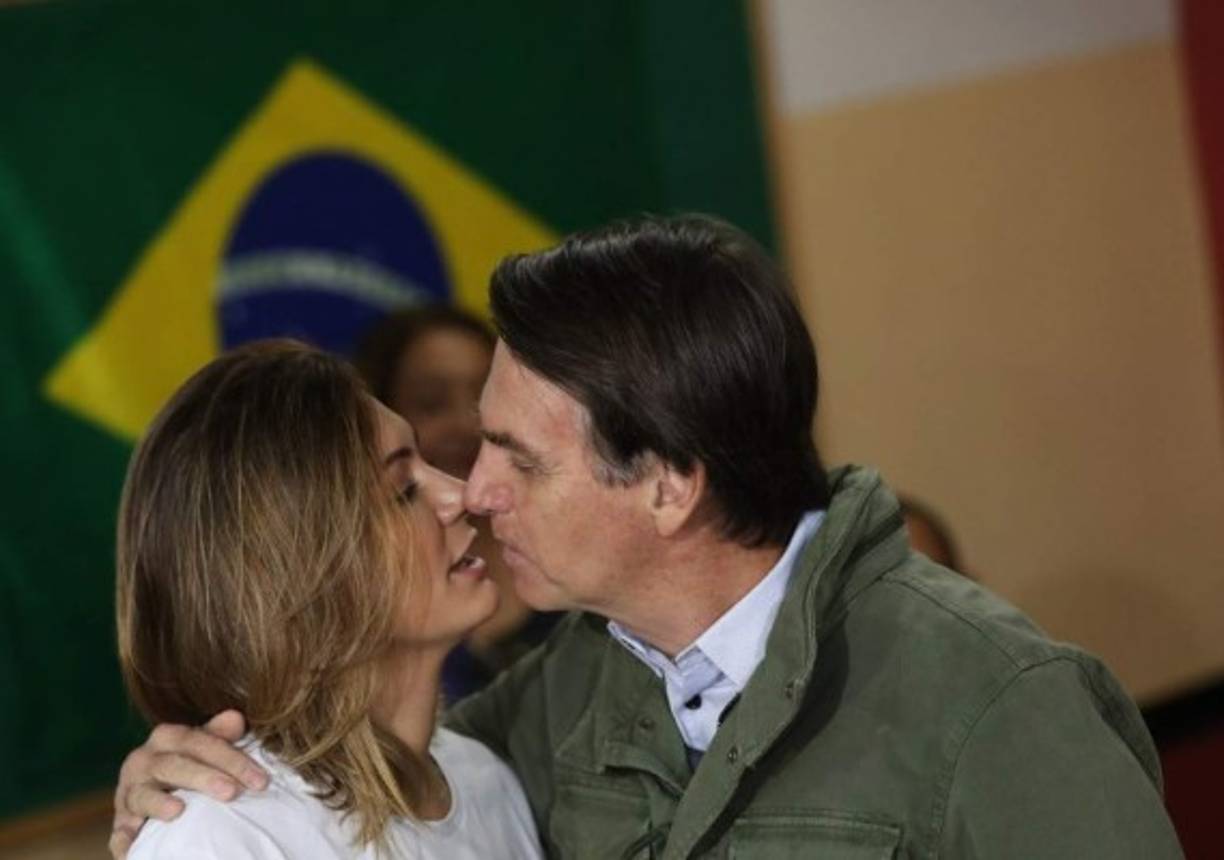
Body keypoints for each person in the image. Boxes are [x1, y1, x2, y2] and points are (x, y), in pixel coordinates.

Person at [111, 216, 1182, 858]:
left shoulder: (1000, 703)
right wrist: (167, 787)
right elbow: (353, 778)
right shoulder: (543, 713)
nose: (475, 490)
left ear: (668, 485)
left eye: (519, 458)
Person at [112, 340, 542, 858]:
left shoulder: (489, 780)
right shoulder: (221, 836)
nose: (460, 495)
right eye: (403, 490)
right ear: (289, 573)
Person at [354, 305, 561, 701]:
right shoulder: (357, 611)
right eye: (431, 403)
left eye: (486, 400)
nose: (468, 426)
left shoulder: (577, 572)